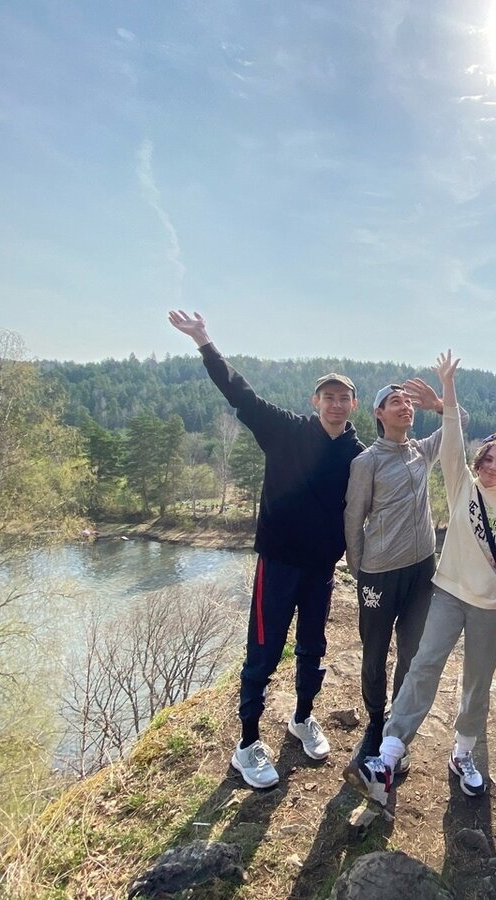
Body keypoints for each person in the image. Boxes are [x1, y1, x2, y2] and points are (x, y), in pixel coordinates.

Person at [343, 353, 496, 809]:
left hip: (492, 604)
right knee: (424, 664)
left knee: (477, 681)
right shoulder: (462, 484)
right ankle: (389, 755)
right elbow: (451, 435)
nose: (492, 466)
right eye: (486, 459)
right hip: (448, 592)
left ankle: (463, 754)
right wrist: (447, 389)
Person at [167, 310, 364, 789]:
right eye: (328, 397)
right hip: (277, 565)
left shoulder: (358, 456)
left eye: (344, 398)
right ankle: (248, 743)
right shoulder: (284, 430)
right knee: (263, 650)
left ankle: (301, 717)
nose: (336, 405)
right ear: (315, 401)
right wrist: (204, 341)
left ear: (354, 406)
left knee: (313, 648)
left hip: (320, 570)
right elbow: (240, 392)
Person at [343, 375, 462, 760]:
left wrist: (440, 405)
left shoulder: (420, 452)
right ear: (379, 413)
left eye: (408, 403)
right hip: (379, 573)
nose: (405, 406)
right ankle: (375, 721)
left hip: (422, 570)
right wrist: (359, 569)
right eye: (396, 401)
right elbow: (353, 517)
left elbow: (458, 425)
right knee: (375, 652)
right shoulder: (367, 462)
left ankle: (396, 728)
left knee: (411, 651)